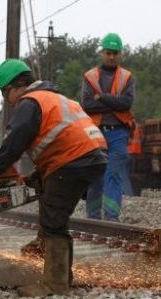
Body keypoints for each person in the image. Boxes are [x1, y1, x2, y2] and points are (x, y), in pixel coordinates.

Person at [0, 59, 108, 297]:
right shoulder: (53, 97)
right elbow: (55, 139)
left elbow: (14, 144)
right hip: (90, 155)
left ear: (13, 87)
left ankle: (56, 284)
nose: (6, 100)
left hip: (73, 159)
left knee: (54, 220)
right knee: (46, 193)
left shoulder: (29, 102)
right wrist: (34, 176)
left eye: (5, 94)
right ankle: (42, 248)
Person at [80, 33, 135, 221]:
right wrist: (114, 102)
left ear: (120, 54)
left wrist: (102, 97)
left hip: (119, 133)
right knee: (96, 175)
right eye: (108, 53)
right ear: (102, 52)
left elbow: (126, 104)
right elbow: (87, 105)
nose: (112, 57)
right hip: (96, 132)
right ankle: (94, 218)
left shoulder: (127, 77)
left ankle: (111, 219)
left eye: (115, 53)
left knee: (113, 175)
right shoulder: (90, 76)